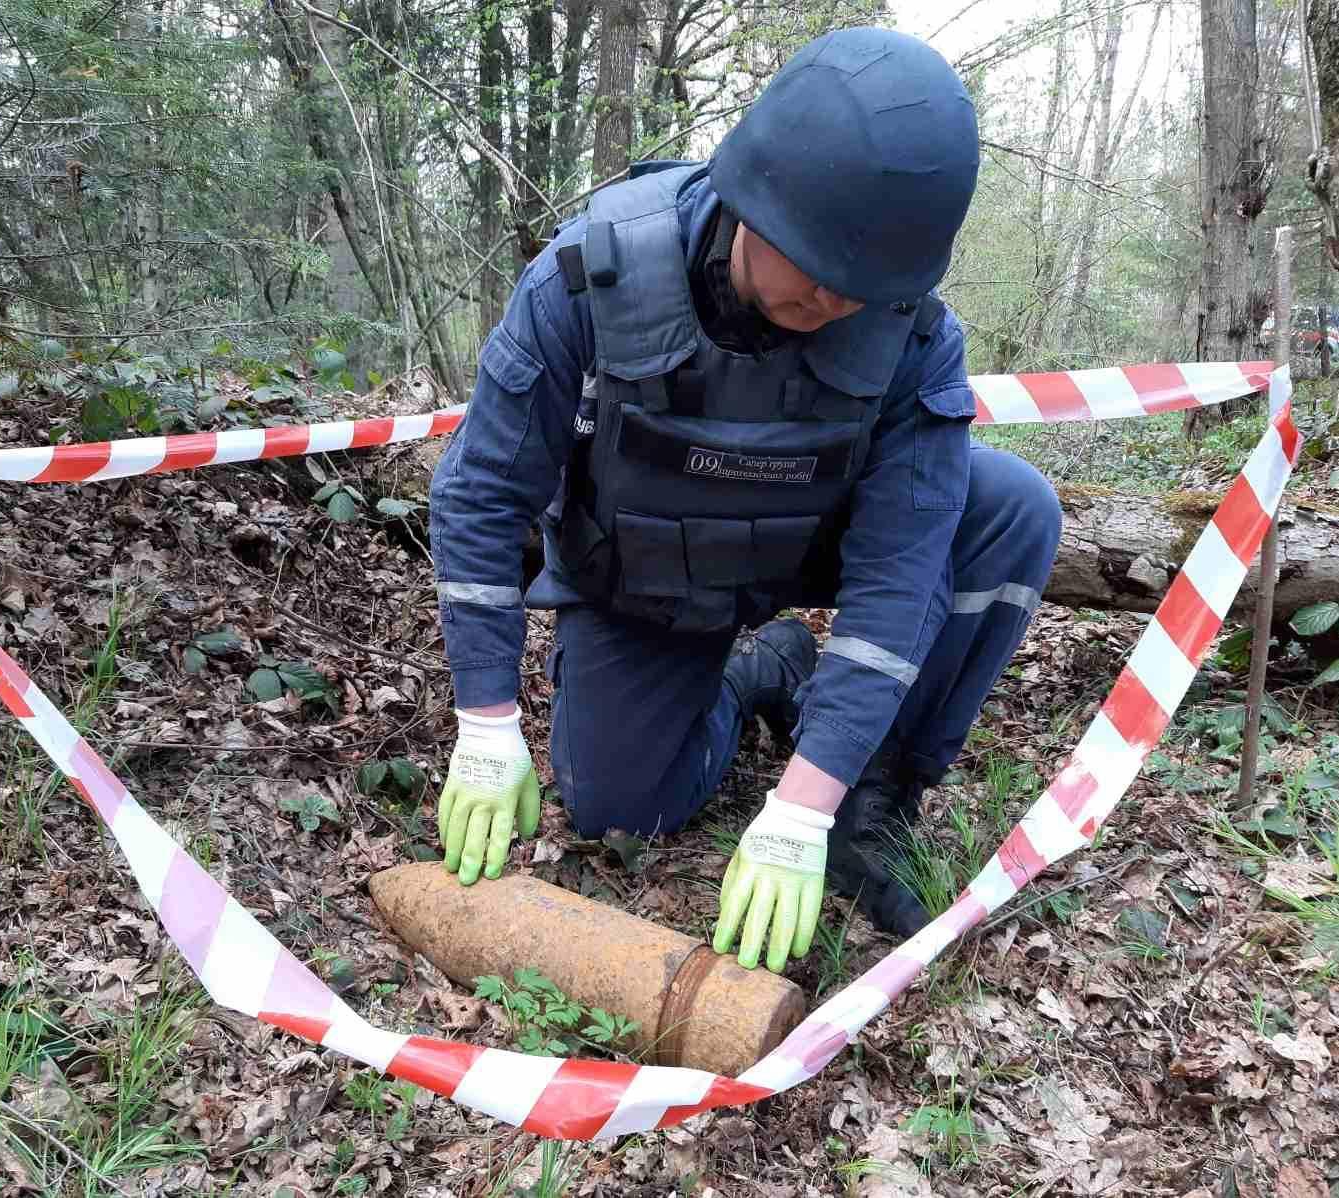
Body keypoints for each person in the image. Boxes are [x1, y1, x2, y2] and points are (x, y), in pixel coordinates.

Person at [427, 27, 1063, 973]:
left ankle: (875, 791)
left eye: (868, 285)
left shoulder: (912, 333)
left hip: (812, 537)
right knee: (615, 807)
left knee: (1010, 505)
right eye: (823, 270)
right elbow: (481, 495)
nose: (843, 303)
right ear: (751, 199)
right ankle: (758, 671)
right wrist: (484, 719)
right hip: (645, 571)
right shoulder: (583, 278)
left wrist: (804, 806)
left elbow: (898, 574)